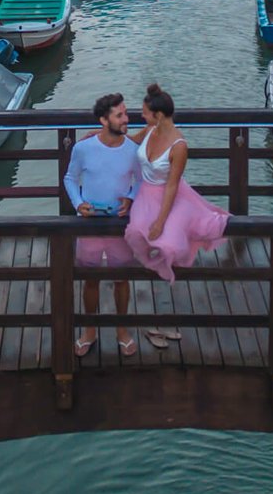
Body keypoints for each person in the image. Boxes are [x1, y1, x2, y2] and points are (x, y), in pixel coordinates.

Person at [126, 84, 229, 285]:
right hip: (146, 194)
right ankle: (149, 263)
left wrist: (160, 222)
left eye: (145, 113)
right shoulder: (149, 130)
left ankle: (170, 264)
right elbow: (128, 142)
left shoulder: (179, 146)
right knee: (135, 232)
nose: (141, 115)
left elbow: (172, 186)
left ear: (160, 115)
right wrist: (99, 135)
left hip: (170, 195)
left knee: (171, 245)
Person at [62, 92, 140, 356]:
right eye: (120, 115)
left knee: (122, 278)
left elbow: (140, 181)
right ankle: (90, 329)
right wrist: (78, 203)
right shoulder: (83, 148)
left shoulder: (133, 150)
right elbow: (70, 178)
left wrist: (130, 198)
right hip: (90, 223)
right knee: (90, 279)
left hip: (119, 223)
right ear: (104, 120)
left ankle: (121, 329)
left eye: (125, 113)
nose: (126, 119)